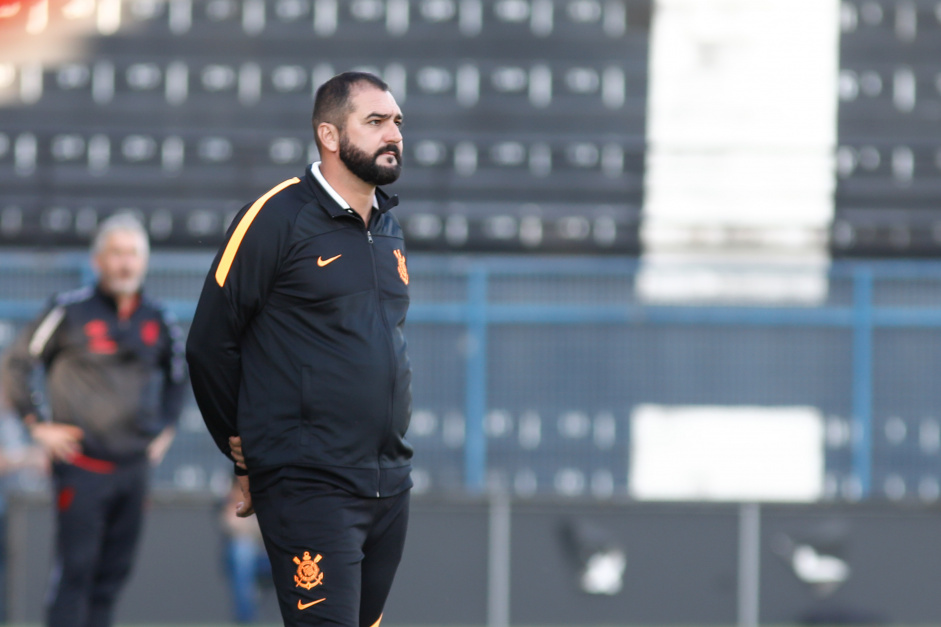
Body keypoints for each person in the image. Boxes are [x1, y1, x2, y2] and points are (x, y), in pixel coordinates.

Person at [186, 70, 412, 627]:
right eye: (376, 121)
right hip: (308, 481)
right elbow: (208, 345)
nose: (394, 135)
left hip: (387, 481)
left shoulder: (388, 229)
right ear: (330, 136)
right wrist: (237, 446)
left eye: (398, 122)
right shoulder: (275, 217)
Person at [0, 213, 187, 627]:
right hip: (82, 468)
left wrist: (166, 430)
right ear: (98, 260)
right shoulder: (68, 311)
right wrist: (37, 424)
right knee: (76, 573)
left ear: (145, 261)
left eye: (133, 254)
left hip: (134, 470)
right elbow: (16, 364)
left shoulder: (159, 318)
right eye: (116, 253)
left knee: (112, 578)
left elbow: (179, 378)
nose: (125, 263)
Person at [219, 477, 272, 623]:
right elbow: (230, 523)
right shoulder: (233, 496)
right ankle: (245, 619)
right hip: (249, 557)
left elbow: (278, 527)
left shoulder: (270, 492)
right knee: (242, 549)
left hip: (272, 555)